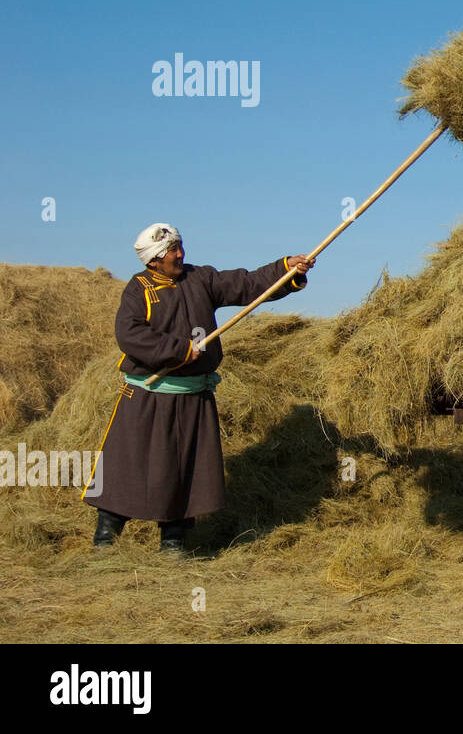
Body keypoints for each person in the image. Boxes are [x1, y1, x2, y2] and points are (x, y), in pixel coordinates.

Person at [83, 223, 314, 552]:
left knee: (183, 468)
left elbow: (247, 284)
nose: (180, 254)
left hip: (193, 397)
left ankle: (174, 541)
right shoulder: (138, 290)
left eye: (179, 247)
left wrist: (285, 268)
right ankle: (106, 538)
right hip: (148, 396)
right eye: (172, 251)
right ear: (153, 260)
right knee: (129, 464)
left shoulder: (201, 278)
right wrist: (177, 350)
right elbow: (130, 334)